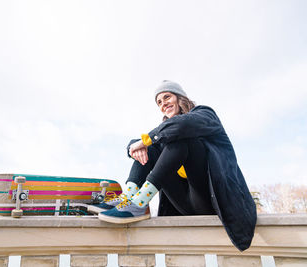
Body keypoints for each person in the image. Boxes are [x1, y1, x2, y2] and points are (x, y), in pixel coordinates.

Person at [88, 80, 257, 251]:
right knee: (152, 149)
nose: (163, 104)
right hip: (183, 203)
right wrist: (137, 146)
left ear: (180, 98)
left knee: (177, 139)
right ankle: (129, 199)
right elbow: (150, 139)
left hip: (210, 201)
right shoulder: (165, 133)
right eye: (159, 102)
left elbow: (183, 125)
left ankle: (140, 203)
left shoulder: (205, 114)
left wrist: (145, 141)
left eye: (167, 97)